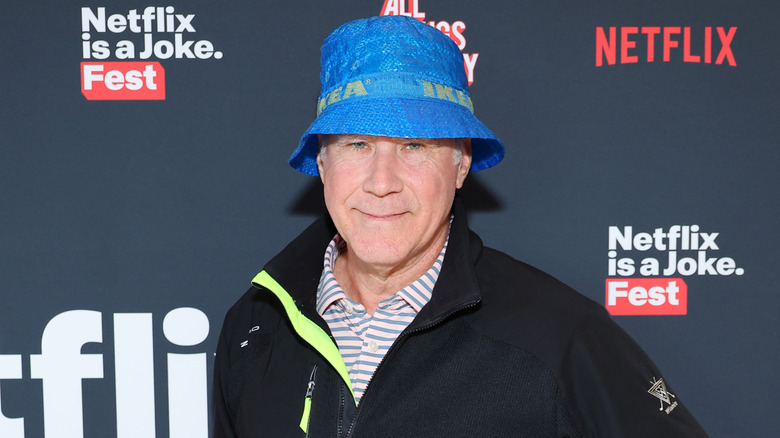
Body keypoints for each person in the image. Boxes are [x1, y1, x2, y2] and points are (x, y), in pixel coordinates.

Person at [213, 15, 707, 437]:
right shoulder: (255, 327)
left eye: (415, 146)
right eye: (357, 144)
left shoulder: (560, 336)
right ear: (323, 162)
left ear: (461, 164)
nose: (381, 183)